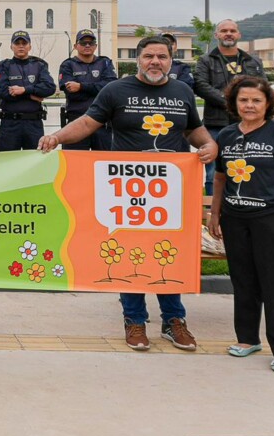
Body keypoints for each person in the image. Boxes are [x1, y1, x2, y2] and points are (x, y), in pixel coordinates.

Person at [39, 36, 218, 353]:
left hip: (168, 193)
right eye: (148, 56)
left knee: (168, 253)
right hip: (127, 192)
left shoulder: (181, 92)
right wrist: (56, 137)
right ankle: (134, 321)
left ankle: (173, 321)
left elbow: (193, 130)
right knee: (131, 255)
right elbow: (87, 123)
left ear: (171, 59)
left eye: (162, 56)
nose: (155, 62)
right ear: (137, 60)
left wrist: (209, 144)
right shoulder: (116, 91)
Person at [208, 76, 274, 374]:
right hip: (235, 219)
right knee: (243, 280)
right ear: (234, 104)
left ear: (268, 104)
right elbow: (220, 178)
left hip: (273, 218)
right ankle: (247, 339)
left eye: (256, 100)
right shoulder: (226, 135)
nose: (249, 105)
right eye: (243, 100)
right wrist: (214, 215)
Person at [194, 20, 266, 198]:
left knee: (251, 168)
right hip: (216, 124)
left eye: (232, 31)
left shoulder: (253, 61)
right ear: (216, 35)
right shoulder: (206, 60)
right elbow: (201, 86)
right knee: (213, 173)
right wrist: (232, 101)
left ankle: (247, 206)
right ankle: (213, 212)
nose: (228, 34)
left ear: (239, 35)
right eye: (224, 30)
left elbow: (263, 86)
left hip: (250, 126)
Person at [0, 30, 56, 151]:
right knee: (6, 162)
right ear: (11, 46)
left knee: (35, 162)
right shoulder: (4, 66)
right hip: (10, 124)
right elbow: (2, 91)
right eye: (17, 43)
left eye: (24, 43)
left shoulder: (39, 65)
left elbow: (49, 88)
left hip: (33, 124)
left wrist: (24, 90)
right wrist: (32, 96)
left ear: (29, 46)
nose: (21, 46)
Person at [57, 29, 117, 151]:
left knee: (104, 164)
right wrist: (97, 89)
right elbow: (72, 94)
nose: (87, 45)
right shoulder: (67, 65)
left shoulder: (105, 62)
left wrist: (81, 87)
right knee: (74, 164)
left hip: (102, 123)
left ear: (96, 46)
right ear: (75, 46)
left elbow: (110, 88)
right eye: (83, 42)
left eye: (91, 42)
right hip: (76, 122)